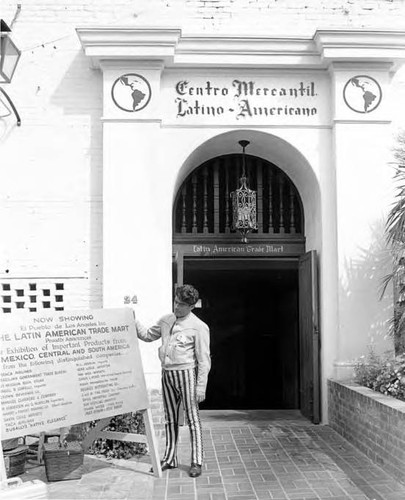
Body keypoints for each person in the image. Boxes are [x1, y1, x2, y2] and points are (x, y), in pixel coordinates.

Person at [136, 284, 211, 478]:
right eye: (175, 302)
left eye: (181, 305)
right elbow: (147, 336)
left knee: (193, 419)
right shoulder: (165, 320)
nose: (176, 307)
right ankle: (170, 458)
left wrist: (201, 386)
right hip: (167, 374)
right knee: (169, 418)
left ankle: (197, 461)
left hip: (187, 374)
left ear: (191, 306)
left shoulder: (199, 327)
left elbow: (204, 360)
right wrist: (133, 321)